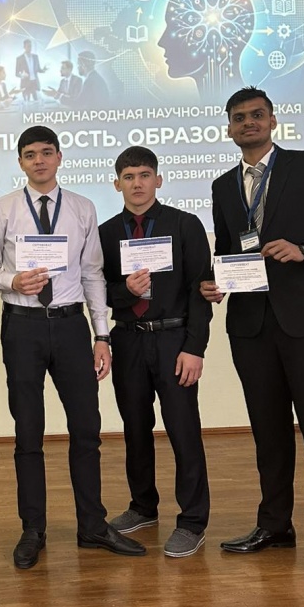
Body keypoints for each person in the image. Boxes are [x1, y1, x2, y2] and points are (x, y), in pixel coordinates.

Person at [200, 88, 304, 586]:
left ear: (273, 120)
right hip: (251, 326)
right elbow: (230, 250)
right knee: (268, 434)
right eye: (238, 118)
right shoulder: (223, 185)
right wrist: (215, 283)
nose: (247, 123)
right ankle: (275, 526)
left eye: (256, 115)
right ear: (229, 128)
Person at [0, 125, 145, 568]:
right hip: (22, 326)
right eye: (30, 154)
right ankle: (33, 529)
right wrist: (11, 280)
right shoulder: (3, 207)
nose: (39, 161)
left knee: (86, 429)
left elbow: (92, 275)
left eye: (46, 152)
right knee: (28, 432)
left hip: (71, 327)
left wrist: (102, 335)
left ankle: (93, 525)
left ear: (59, 157)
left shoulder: (82, 208)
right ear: (20, 161)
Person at [99, 147, 212, 558]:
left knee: (183, 429)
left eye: (145, 175)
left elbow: (200, 290)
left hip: (173, 340)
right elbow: (99, 291)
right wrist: (124, 292)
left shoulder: (184, 224)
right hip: (129, 338)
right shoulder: (106, 233)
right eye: (129, 177)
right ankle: (143, 506)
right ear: (117, 184)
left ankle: (193, 521)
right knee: (134, 427)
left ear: (158, 180)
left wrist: (194, 348)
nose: (137, 184)